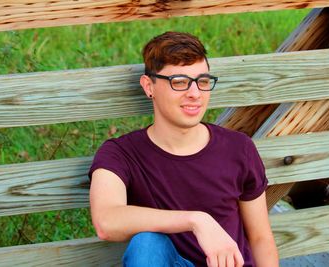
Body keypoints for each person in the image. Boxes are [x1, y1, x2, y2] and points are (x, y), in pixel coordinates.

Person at [88, 31, 279, 267]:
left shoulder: (238, 148)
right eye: (179, 82)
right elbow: (106, 222)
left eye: (203, 81)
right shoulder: (121, 154)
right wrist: (196, 220)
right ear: (149, 86)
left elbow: (261, 238)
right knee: (147, 244)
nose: (195, 94)